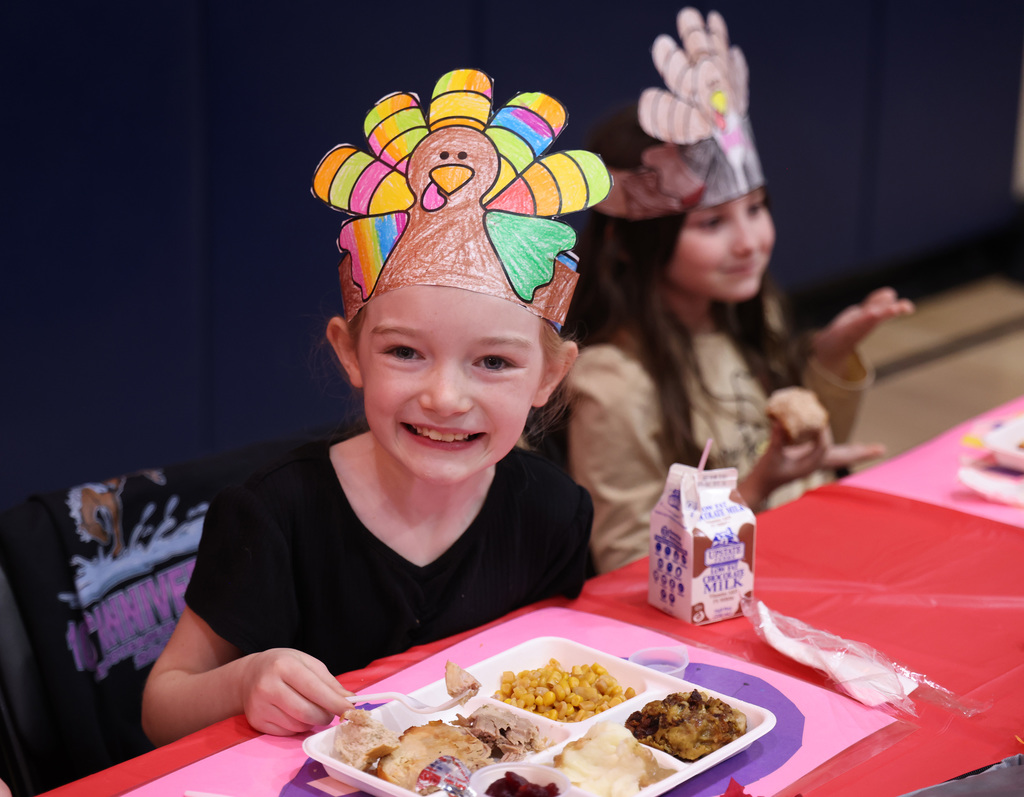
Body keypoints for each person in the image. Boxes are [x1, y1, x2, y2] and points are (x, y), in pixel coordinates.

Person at [141, 67, 609, 745]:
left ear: (550, 375)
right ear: (351, 352)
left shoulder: (554, 511)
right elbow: (161, 707)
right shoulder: (275, 516)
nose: (444, 397)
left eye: (493, 362)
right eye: (405, 352)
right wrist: (245, 682)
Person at [565, 8, 914, 574]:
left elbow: (805, 455)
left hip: (810, 562)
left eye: (755, 209)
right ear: (628, 243)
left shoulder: (750, 314)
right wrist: (755, 487)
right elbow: (628, 562)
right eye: (712, 223)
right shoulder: (613, 384)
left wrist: (828, 358)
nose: (750, 242)